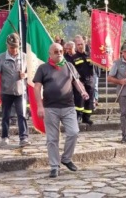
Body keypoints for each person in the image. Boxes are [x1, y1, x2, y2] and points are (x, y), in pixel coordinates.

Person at [33, 43, 89, 178]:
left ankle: (66, 158)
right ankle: (54, 166)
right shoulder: (43, 68)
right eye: (56, 51)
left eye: (61, 51)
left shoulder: (69, 66)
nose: (59, 53)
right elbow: (36, 88)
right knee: (52, 139)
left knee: (74, 132)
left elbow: (77, 82)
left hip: (68, 107)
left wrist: (83, 92)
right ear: (50, 54)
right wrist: (39, 106)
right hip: (50, 108)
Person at [0, 33, 30, 147]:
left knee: (22, 114)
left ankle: (24, 138)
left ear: (19, 45)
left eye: (16, 47)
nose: (14, 50)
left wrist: (26, 75)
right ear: (7, 46)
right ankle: (4, 137)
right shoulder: (1, 57)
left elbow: (32, 72)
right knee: (5, 115)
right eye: (11, 47)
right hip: (6, 92)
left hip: (20, 92)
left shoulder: (24, 57)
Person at [70, 35, 95, 125]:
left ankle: (86, 118)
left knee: (89, 101)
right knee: (79, 100)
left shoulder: (90, 55)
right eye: (78, 44)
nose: (81, 46)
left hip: (90, 81)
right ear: (76, 46)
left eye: (82, 44)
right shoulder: (74, 57)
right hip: (80, 82)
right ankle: (78, 117)